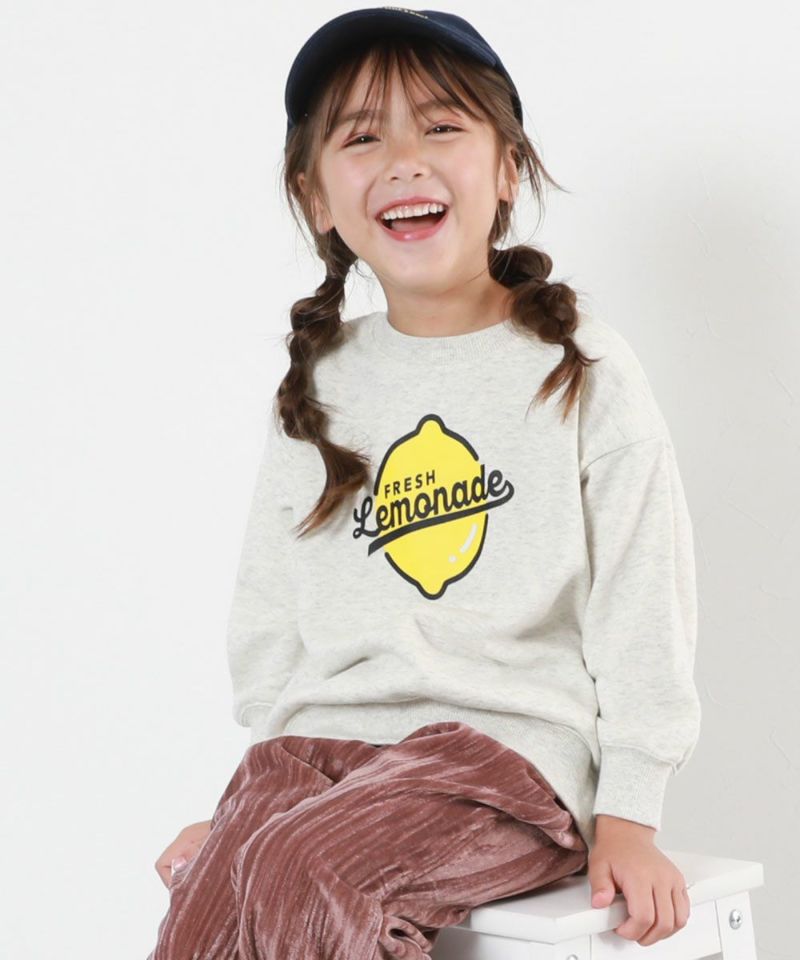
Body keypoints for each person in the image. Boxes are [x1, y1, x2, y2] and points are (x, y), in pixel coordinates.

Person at [148, 7, 701, 957]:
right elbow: (271, 612)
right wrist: (248, 813)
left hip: (501, 761)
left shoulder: (581, 369)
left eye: (442, 126)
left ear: (508, 167)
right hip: (315, 760)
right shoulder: (321, 382)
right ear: (315, 195)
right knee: (212, 902)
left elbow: (643, 599)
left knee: (308, 867)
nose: (406, 161)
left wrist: (631, 811)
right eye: (363, 138)